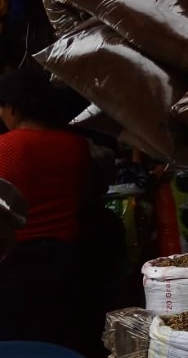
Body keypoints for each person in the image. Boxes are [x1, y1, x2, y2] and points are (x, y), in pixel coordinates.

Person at [0, 68, 93, 351]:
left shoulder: (5, 147)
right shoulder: (76, 145)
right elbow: (85, 194)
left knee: (15, 343)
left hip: (13, 265)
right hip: (65, 260)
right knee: (54, 342)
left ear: (12, 108)